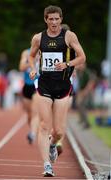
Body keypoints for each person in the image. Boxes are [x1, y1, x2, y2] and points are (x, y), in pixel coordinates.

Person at [29, 5, 86, 177]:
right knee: (44, 125)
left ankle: (53, 144)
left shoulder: (69, 36)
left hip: (62, 86)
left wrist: (67, 64)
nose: (54, 22)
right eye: (50, 19)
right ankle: (47, 165)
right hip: (44, 85)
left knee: (59, 130)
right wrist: (33, 69)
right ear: (45, 19)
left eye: (56, 19)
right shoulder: (38, 38)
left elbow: (82, 57)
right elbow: (31, 56)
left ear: (61, 19)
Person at [19, 48, 39, 144]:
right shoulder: (26, 53)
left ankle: (33, 133)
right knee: (29, 114)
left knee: (35, 111)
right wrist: (31, 62)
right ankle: (32, 129)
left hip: (37, 85)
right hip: (27, 85)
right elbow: (21, 67)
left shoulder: (43, 51)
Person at [76, 63, 97, 129]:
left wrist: (85, 91)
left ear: (84, 65)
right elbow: (80, 84)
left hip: (87, 92)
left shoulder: (87, 72)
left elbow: (91, 82)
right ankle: (82, 120)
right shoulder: (79, 72)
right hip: (82, 91)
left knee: (83, 106)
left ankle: (87, 123)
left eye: (81, 65)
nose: (79, 66)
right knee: (79, 105)